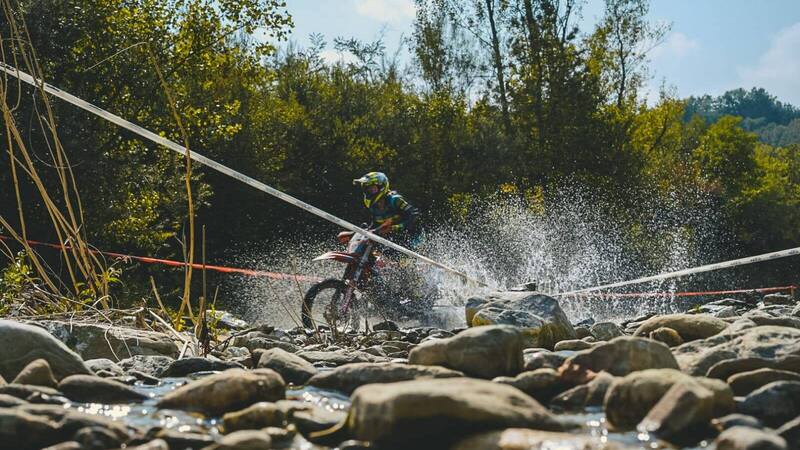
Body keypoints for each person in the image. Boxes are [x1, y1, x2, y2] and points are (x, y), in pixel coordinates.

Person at [353, 171, 419, 248]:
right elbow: (376, 224)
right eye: (367, 189)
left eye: (372, 189)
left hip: (411, 239)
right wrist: (363, 232)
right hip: (389, 239)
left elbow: (414, 215)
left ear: (382, 187)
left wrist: (396, 227)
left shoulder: (395, 200)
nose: (369, 192)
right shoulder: (373, 206)